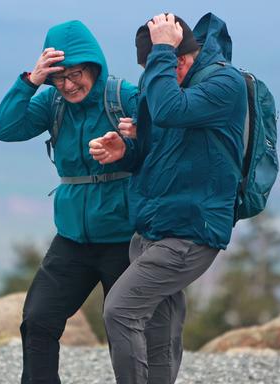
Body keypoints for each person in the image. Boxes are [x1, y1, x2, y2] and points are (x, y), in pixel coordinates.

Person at [88, 13, 248, 384]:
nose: (153, 73)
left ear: (179, 56)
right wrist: (126, 152)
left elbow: (168, 110)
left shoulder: (225, 82)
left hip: (190, 232)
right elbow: (158, 149)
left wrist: (161, 48)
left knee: (120, 310)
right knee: (158, 334)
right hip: (154, 230)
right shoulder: (165, 81)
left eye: (161, 63)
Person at [0, 20, 139, 384]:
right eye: (60, 77)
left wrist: (128, 148)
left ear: (94, 67)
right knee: (38, 320)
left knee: (126, 331)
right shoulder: (52, 101)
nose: (69, 85)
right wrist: (31, 81)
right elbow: (5, 129)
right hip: (72, 238)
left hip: (126, 237)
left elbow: (162, 148)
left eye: (76, 74)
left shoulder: (124, 97)